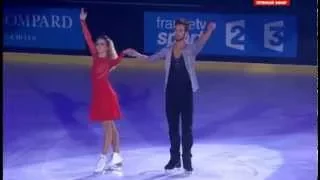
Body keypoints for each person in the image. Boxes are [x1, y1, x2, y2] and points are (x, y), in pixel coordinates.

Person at [123, 18, 216, 174]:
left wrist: (210, 29)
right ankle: (174, 159)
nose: (178, 32)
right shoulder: (167, 50)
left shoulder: (191, 49)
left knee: (186, 129)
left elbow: (202, 40)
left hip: (186, 95)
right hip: (170, 95)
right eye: (176, 30)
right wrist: (136, 54)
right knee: (173, 129)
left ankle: (187, 160)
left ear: (186, 33)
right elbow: (150, 59)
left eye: (181, 30)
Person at [80, 8, 124, 173]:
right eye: (97, 44)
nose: (98, 46)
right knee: (111, 127)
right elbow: (88, 38)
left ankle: (103, 157)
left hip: (107, 96)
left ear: (107, 46)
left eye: (101, 44)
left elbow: (121, 56)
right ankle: (117, 156)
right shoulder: (95, 56)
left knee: (107, 127)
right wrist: (83, 22)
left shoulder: (110, 60)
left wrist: (128, 53)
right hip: (98, 96)